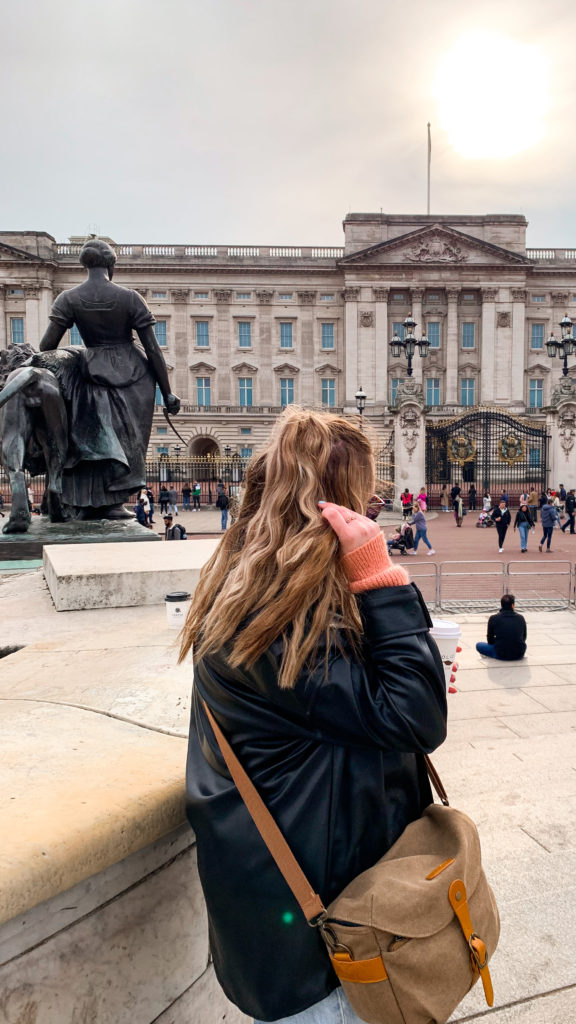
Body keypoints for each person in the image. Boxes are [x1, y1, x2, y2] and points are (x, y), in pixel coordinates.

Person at [181, 407, 447, 1023]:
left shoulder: (250, 590)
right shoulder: (282, 624)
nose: (376, 501)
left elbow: (362, 715)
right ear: (330, 505)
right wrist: (380, 579)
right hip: (322, 936)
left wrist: (403, 670)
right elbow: (415, 718)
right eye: (362, 493)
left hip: (284, 903)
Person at [35, 239, 180, 519]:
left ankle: (84, 501)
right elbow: (152, 349)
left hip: (91, 371)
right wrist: (168, 392)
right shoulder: (130, 298)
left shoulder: (68, 298)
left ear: (84, 266)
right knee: (129, 438)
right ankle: (113, 502)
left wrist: (76, 356)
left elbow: (46, 345)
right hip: (134, 374)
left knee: (90, 436)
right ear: (111, 266)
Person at [475, 594, 527, 660]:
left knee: (479, 645)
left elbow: (490, 640)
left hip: (500, 654)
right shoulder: (521, 618)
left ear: (501, 605)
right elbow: (524, 638)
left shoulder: (493, 618)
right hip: (519, 653)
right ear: (512, 605)